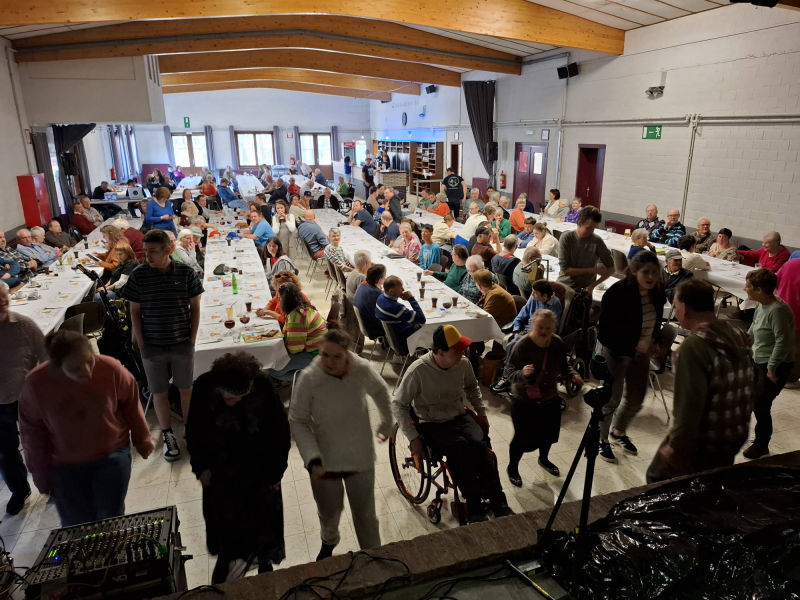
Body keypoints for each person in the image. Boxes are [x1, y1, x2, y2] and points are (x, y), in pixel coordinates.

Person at [20, 330, 153, 526]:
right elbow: (32, 434)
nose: (87, 371)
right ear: (56, 366)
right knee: (77, 524)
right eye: (74, 368)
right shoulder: (36, 384)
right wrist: (40, 475)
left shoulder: (111, 369)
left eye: (89, 361)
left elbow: (131, 404)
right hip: (66, 466)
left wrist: (143, 440)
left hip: (112, 455)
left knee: (112, 517)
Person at [290, 329, 393, 560]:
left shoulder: (361, 369)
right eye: (325, 355)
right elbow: (298, 420)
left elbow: (380, 391)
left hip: (359, 455)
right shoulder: (310, 378)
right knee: (329, 512)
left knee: (365, 513)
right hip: (325, 459)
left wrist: (386, 423)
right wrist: (311, 457)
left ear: (347, 355)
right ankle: (329, 542)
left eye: (337, 356)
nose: (329, 362)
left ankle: (372, 554)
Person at [186, 351, 289, 582]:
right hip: (222, 477)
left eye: (243, 396)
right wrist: (200, 468)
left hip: (260, 474)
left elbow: (280, 433)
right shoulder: (204, 387)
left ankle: (264, 568)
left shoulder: (262, 384)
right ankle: (226, 572)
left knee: (263, 530)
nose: (238, 401)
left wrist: (276, 474)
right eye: (232, 398)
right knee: (228, 534)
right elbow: (194, 431)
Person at [393, 324, 512, 522]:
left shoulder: (462, 363)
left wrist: (481, 414)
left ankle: (498, 501)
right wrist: (413, 437)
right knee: (460, 450)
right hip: (432, 422)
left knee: (481, 446)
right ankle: (474, 505)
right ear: (439, 352)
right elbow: (398, 404)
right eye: (456, 350)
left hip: (458, 415)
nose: (462, 353)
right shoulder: (418, 371)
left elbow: (472, 388)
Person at [646, 279, 755, 482]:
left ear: (685, 309)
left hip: (705, 443)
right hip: (734, 434)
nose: (676, 312)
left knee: (656, 478)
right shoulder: (738, 333)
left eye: (676, 306)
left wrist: (675, 448)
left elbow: (689, 406)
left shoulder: (694, 347)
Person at [122, 229, 203, 462]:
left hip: (182, 342)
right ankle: (168, 435)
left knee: (186, 390)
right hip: (152, 345)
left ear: (168, 249)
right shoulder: (138, 275)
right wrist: (141, 342)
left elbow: (195, 308)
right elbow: (134, 312)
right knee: (159, 393)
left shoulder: (186, 273)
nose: (147, 256)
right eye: (146, 251)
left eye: (153, 251)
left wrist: (192, 339)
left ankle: (190, 431)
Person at [597, 251, 675, 463]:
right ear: (633, 271)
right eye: (646, 272)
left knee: (635, 398)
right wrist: (628, 349)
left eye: (655, 272)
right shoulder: (617, 293)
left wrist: (654, 341)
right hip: (617, 352)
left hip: (641, 353)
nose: (651, 277)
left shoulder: (657, 291)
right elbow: (605, 331)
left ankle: (618, 432)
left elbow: (655, 321)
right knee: (612, 399)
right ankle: (601, 439)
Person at [505, 309, 582, 484]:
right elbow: (508, 373)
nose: (544, 331)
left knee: (549, 433)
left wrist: (573, 374)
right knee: (521, 437)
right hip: (524, 400)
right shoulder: (522, 345)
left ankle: (544, 459)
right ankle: (513, 467)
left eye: (548, 328)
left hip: (549, 397)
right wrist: (522, 373)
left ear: (554, 328)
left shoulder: (556, 342)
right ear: (533, 325)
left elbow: (564, 365)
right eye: (540, 327)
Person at [0, 281, 46, 515]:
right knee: (4, 449)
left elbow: (47, 358)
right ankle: (19, 490)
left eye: (4, 297)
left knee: (40, 441)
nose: (3, 302)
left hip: (26, 396)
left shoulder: (24, 325)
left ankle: (51, 482)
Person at [741, 268, 796, 459]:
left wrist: (772, 368)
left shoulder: (778, 310)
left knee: (761, 405)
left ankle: (761, 444)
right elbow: (753, 329)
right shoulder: (761, 305)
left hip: (776, 366)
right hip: (760, 361)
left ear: (759, 289)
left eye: (748, 286)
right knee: (756, 401)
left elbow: (783, 342)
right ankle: (760, 440)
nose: (745, 288)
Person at [491, 280, 562, 394]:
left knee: (517, 347)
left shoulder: (555, 304)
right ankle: (509, 375)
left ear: (544, 297)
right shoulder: (533, 299)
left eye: (535, 293)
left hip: (540, 335)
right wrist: (516, 330)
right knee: (511, 345)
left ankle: (508, 377)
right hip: (527, 331)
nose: (532, 294)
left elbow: (552, 327)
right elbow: (520, 316)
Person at [267, 282, 328, 382]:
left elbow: (294, 350)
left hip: (316, 355)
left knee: (273, 369)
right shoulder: (303, 307)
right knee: (276, 359)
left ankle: (310, 378)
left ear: (285, 301)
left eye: (279, 298)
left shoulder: (297, 318)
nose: (278, 301)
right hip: (320, 348)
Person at [557, 206, 614, 293]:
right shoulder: (567, 237)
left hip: (585, 290)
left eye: (594, 228)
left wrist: (592, 286)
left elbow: (611, 269)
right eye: (589, 228)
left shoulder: (597, 241)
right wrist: (593, 270)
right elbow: (565, 271)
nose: (592, 231)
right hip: (565, 286)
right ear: (580, 223)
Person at [375, 275, 425, 355]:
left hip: (391, 337)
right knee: (430, 328)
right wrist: (411, 298)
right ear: (391, 291)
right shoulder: (396, 308)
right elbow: (422, 319)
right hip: (403, 341)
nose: (403, 290)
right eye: (400, 288)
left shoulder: (380, 297)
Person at [353, 264, 387, 341]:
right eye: (384, 276)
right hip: (373, 329)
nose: (385, 278)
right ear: (379, 280)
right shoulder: (377, 294)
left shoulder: (363, 284)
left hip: (366, 324)